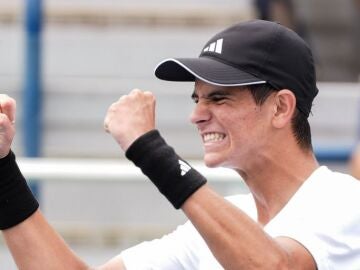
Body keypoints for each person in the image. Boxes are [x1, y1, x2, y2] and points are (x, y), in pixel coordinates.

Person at [1, 20, 360, 270]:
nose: (197, 115)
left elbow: (272, 266)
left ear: (281, 107)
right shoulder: (222, 222)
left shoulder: (345, 202)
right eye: (196, 99)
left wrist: (151, 151)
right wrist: (2, 168)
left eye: (219, 99)